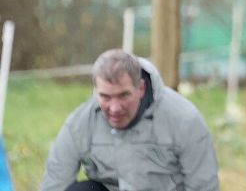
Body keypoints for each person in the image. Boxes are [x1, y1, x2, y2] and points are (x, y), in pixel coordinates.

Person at [39, 49, 219, 191]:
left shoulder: (184, 120)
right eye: (105, 97)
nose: (115, 108)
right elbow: (55, 183)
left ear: (140, 88)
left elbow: (204, 186)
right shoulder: (80, 124)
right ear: (96, 91)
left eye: (124, 95)